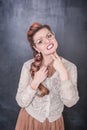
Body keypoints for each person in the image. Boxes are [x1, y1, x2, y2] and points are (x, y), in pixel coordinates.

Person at [15, 22, 79, 130]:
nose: (47, 41)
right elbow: (21, 102)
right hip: (29, 122)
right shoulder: (27, 66)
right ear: (36, 48)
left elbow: (70, 102)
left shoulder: (70, 67)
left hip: (54, 124)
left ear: (53, 36)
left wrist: (63, 72)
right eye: (40, 41)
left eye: (49, 36)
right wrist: (35, 82)